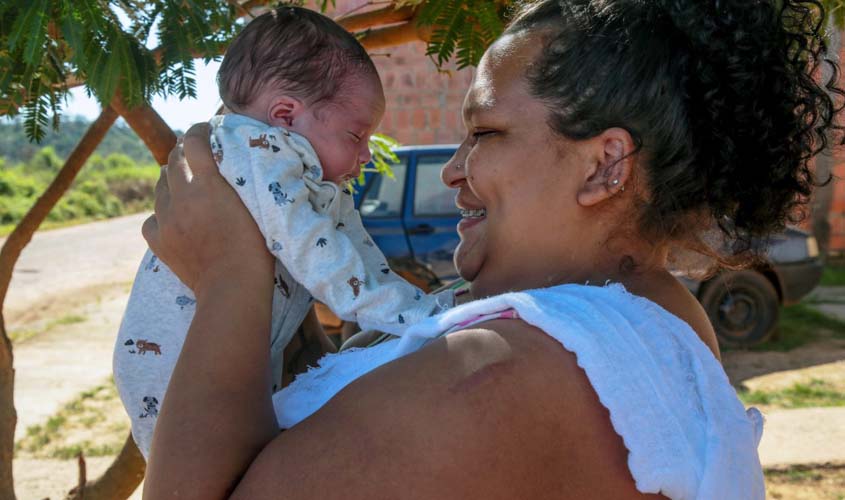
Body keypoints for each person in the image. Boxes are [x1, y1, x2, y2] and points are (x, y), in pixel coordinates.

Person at [141, 0, 842, 497]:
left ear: (604, 165)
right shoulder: (656, 320)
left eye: (484, 135)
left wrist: (231, 275)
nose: (452, 171)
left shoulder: (501, 377)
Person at [113, 6, 451, 459]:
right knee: (202, 466)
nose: (368, 154)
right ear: (286, 116)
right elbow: (316, 254)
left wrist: (417, 309)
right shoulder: (251, 149)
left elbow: (359, 257)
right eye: (357, 136)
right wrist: (419, 319)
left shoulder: (313, 178)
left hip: (238, 359)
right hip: (171, 370)